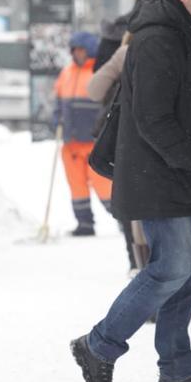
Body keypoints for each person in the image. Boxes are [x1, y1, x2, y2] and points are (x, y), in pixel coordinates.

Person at [70, 0, 191, 382]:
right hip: (159, 172)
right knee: (172, 268)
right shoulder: (160, 39)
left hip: (174, 170)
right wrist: (189, 161)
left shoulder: (186, 32)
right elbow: (153, 116)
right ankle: (98, 346)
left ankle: (177, 373)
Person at [88, 31, 140, 274]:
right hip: (163, 140)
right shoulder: (181, 45)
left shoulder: (125, 51)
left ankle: (136, 260)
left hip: (125, 136)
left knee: (131, 201)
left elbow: (94, 90)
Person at [54, 30, 112, 236]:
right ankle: (84, 223)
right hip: (71, 143)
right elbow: (58, 102)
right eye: (75, 50)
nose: (77, 54)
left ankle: (123, 220)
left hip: (93, 142)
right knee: (77, 187)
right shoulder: (66, 73)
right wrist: (57, 119)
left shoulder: (98, 73)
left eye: (81, 50)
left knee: (104, 186)